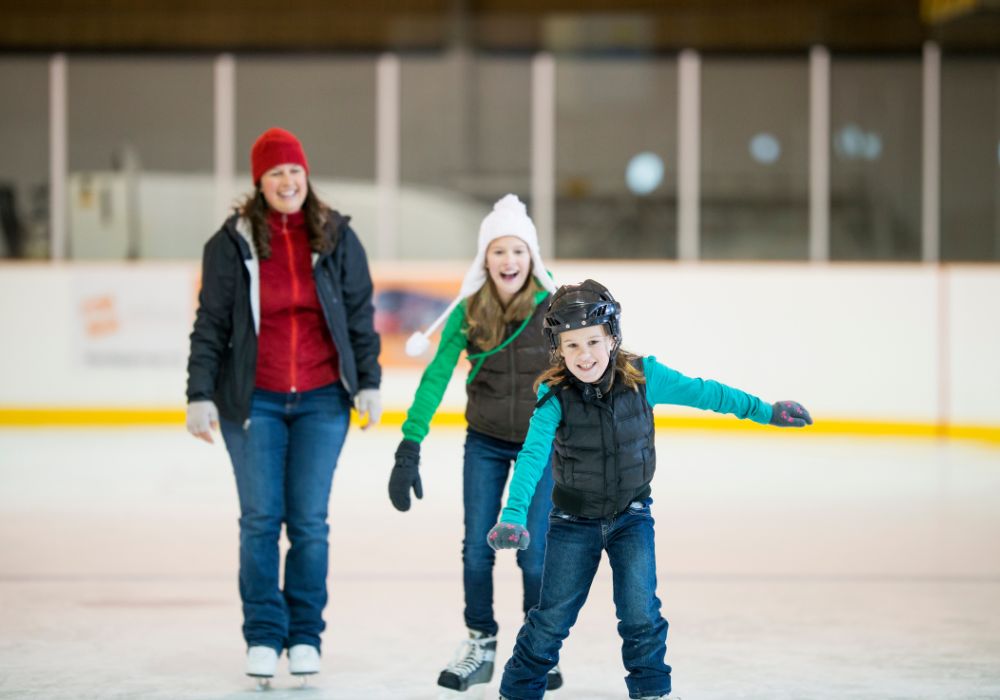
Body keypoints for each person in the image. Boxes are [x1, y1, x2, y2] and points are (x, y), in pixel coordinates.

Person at [488, 279, 813, 700]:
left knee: (641, 612)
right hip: (573, 524)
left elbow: (708, 393)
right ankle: (516, 692)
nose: (584, 355)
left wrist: (765, 411)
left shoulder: (645, 378)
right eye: (571, 346)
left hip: (631, 516)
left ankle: (651, 691)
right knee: (550, 618)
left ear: (612, 336)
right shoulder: (555, 397)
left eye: (592, 341)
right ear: (558, 349)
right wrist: (513, 514)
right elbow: (532, 457)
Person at [185, 127, 381, 686]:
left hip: (323, 400)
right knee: (260, 521)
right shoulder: (232, 243)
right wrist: (199, 392)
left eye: (294, 171)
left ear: (306, 175)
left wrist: (367, 382)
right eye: (275, 173)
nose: (287, 181)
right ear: (259, 182)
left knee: (311, 524)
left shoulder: (337, 237)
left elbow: (361, 317)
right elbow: (211, 326)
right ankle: (265, 636)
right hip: (254, 403)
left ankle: (305, 636)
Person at [388, 194, 564, 693]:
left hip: (540, 448)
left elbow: (585, 369)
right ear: (484, 259)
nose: (509, 261)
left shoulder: (554, 311)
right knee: (475, 550)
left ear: (532, 257)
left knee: (534, 553)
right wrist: (409, 445)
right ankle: (480, 641)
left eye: (518, 251)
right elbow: (435, 377)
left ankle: (537, 646)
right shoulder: (470, 313)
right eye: (498, 251)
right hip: (484, 442)